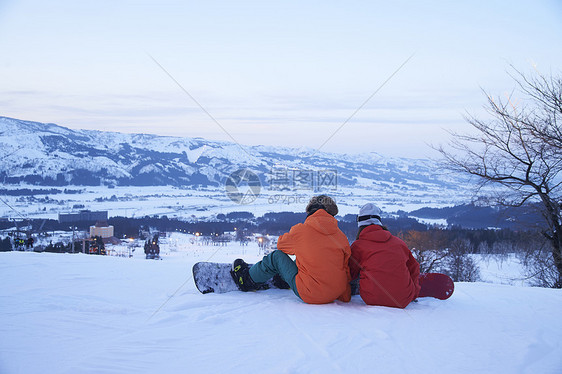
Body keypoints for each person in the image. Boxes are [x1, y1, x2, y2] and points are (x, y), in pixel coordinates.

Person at [231, 195, 351, 304]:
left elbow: (281, 245)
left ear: (311, 210)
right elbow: (345, 268)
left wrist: (298, 237)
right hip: (335, 293)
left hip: (312, 294)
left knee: (276, 257)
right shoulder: (341, 236)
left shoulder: (302, 230)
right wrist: (345, 296)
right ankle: (284, 280)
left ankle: (246, 280)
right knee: (308, 258)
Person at [349, 203, 421, 308]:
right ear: (379, 222)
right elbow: (414, 267)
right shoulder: (399, 243)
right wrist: (413, 293)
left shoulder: (358, 246)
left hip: (372, 299)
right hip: (403, 299)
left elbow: (350, 272)